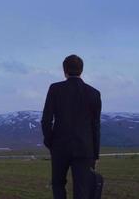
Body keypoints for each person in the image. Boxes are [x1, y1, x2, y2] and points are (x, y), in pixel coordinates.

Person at [41, 54, 102, 199]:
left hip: (59, 147)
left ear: (64, 70)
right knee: (82, 189)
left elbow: (46, 120)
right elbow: (96, 125)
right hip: (85, 149)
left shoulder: (55, 89)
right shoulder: (94, 93)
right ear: (82, 70)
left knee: (58, 184)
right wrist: (95, 153)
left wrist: (50, 142)